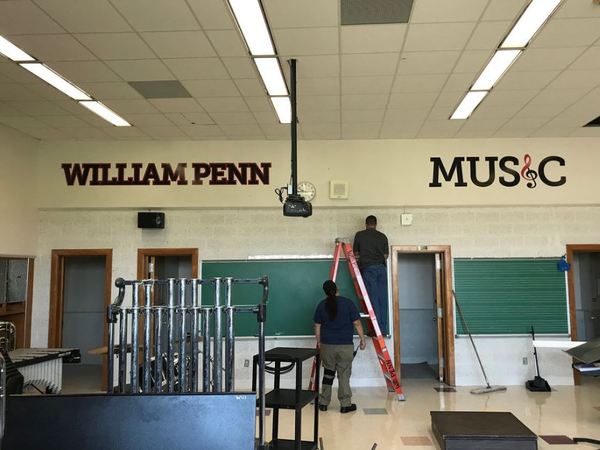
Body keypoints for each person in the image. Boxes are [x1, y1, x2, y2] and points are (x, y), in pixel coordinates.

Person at [313, 280, 366, 413]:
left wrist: (319, 342)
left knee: (328, 374)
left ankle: (323, 403)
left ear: (325, 292)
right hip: (345, 346)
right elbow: (357, 323)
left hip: (327, 346)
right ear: (337, 289)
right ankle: (345, 404)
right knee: (343, 374)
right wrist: (362, 338)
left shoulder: (321, 305)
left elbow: (317, 326)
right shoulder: (348, 303)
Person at [353, 215, 389, 335]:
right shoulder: (382, 236)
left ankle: (376, 330)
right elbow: (386, 256)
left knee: (373, 300)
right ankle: (383, 329)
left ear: (366, 224)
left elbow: (356, 254)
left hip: (369, 269)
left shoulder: (360, 235)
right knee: (382, 299)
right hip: (381, 269)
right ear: (376, 224)